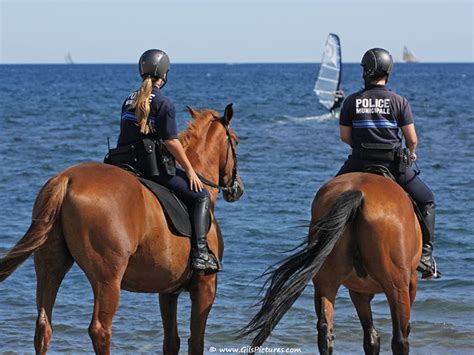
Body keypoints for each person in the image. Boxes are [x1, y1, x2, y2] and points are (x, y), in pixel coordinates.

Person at [336, 48, 440, 280]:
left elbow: (345, 137)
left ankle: (321, 250)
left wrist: (363, 146)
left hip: (358, 162)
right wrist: (411, 153)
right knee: (427, 200)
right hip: (392, 164)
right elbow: (411, 139)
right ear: (387, 72)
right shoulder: (398, 101)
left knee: (330, 197)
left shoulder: (352, 101)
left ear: (366, 72)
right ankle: (425, 255)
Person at [117, 49, 219, 273]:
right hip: (149, 168)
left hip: (124, 163)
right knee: (201, 195)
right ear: (164, 74)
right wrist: (190, 171)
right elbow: (172, 142)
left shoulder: (128, 100)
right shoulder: (163, 103)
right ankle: (201, 253)